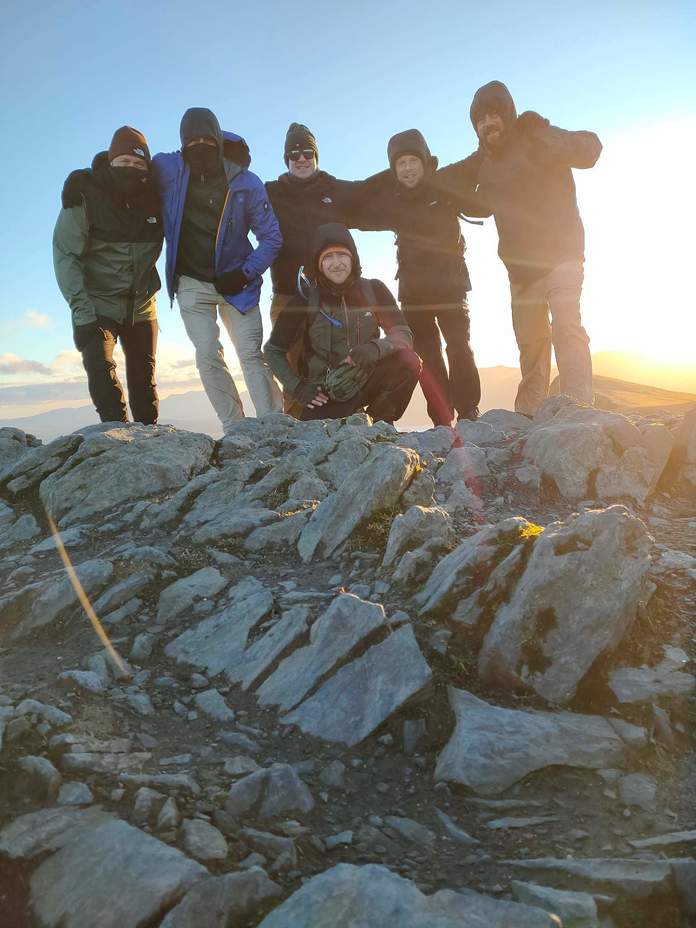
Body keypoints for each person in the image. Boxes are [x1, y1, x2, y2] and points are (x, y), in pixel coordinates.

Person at [435, 81, 602, 417]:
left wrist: (551, 137)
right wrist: (422, 176)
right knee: (530, 345)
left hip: (562, 256)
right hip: (522, 270)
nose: (487, 123)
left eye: (494, 115)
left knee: (566, 327)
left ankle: (579, 410)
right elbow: (462, 188)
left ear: (508, 115)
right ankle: (529, 415)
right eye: (480, 120)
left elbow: (591, 148)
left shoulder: (536, 136)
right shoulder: (486, 162)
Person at [153, 108, 282, 432]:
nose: (200, 145)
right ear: (182, 143)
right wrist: (89, 176)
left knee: (250, 355)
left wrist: (245, 272)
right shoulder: (168, 168)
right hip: (191, 284)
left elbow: (271, 237)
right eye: (191, 140)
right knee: (208, 353)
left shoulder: (245, 182)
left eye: (207, 138)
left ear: (218, 140)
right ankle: (235, 428)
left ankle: (274, 426)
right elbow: (130, 162)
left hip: (238, 284)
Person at [353, 129, 481, 427]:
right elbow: (357, 211)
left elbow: (475, 162)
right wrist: (384, 179)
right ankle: (441, 417)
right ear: (393, 170)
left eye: (413, 160)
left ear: (425, 161)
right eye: (400, 164)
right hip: (414, 294)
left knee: (459, 346)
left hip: (451, 286)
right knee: (429, 357)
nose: (408, 168)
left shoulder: (444, 184)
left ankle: (469, 410)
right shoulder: (392, 202)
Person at [53, 126, 162, 425]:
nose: (131, 169)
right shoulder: (84, 197)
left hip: (142, 307)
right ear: (111, 162)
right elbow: (66, 256)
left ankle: (152, 441)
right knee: (100, 369)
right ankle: (116, 440)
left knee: (144, 381)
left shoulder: (157, 196)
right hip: (97, 305)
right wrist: (82, 311)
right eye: (124, 162)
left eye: (139, 164)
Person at [264, 223, 420, 422]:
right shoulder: (305, 299)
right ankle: (348, 417)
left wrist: (375, 348)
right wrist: (299, 388)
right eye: (328, 257)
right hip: (325, 394)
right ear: (318, 264)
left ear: (353, 258)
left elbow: (404, 335)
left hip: (367, 379)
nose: (336, 263)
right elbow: (272, 351)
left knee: (409, 360)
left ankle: (379, 423)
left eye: (342, 255)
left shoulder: (374, 289)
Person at [265, 123, 362, 416]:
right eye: (294, 153)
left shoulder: (335, 189)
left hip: (333, 295)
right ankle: (297, 425)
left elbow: (373, 191)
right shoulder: (270, 192)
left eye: (307, 152)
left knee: (337, 357)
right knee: (293, 361)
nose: (301, 158)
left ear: (316, 156)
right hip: (287, 294)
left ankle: (343, 416)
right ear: (286, 159)